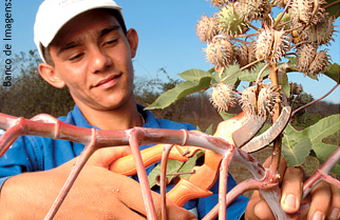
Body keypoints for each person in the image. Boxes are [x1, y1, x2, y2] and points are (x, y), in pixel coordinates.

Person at [0, 0, 339, 219]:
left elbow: (232, 212)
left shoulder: (193, 144)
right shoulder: (33, 143)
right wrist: (28, 197)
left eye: (109, 40)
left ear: (131, 42)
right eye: (75, 55)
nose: (101, 61)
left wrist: (270, 211)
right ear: (51, 74)